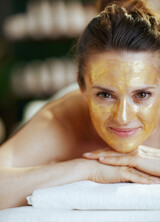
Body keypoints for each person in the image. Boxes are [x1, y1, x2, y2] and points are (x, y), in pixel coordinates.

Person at [1, 0, 160, 210]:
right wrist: (89, 169)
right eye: (105, 95)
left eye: (142, 94)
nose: (123, 117)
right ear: (81, 85)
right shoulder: (60, 120)